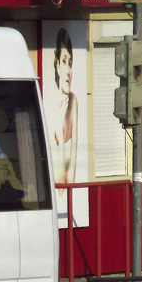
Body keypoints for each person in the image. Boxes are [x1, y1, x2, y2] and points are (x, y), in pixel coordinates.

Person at [52, 28, 78, 185]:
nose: (68, 71)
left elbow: (71, 182)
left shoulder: (73, 100)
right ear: (56, 65)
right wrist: (61, 141)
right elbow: (59, 186)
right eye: (64, 61)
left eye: (70, 63)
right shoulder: (50, 105)